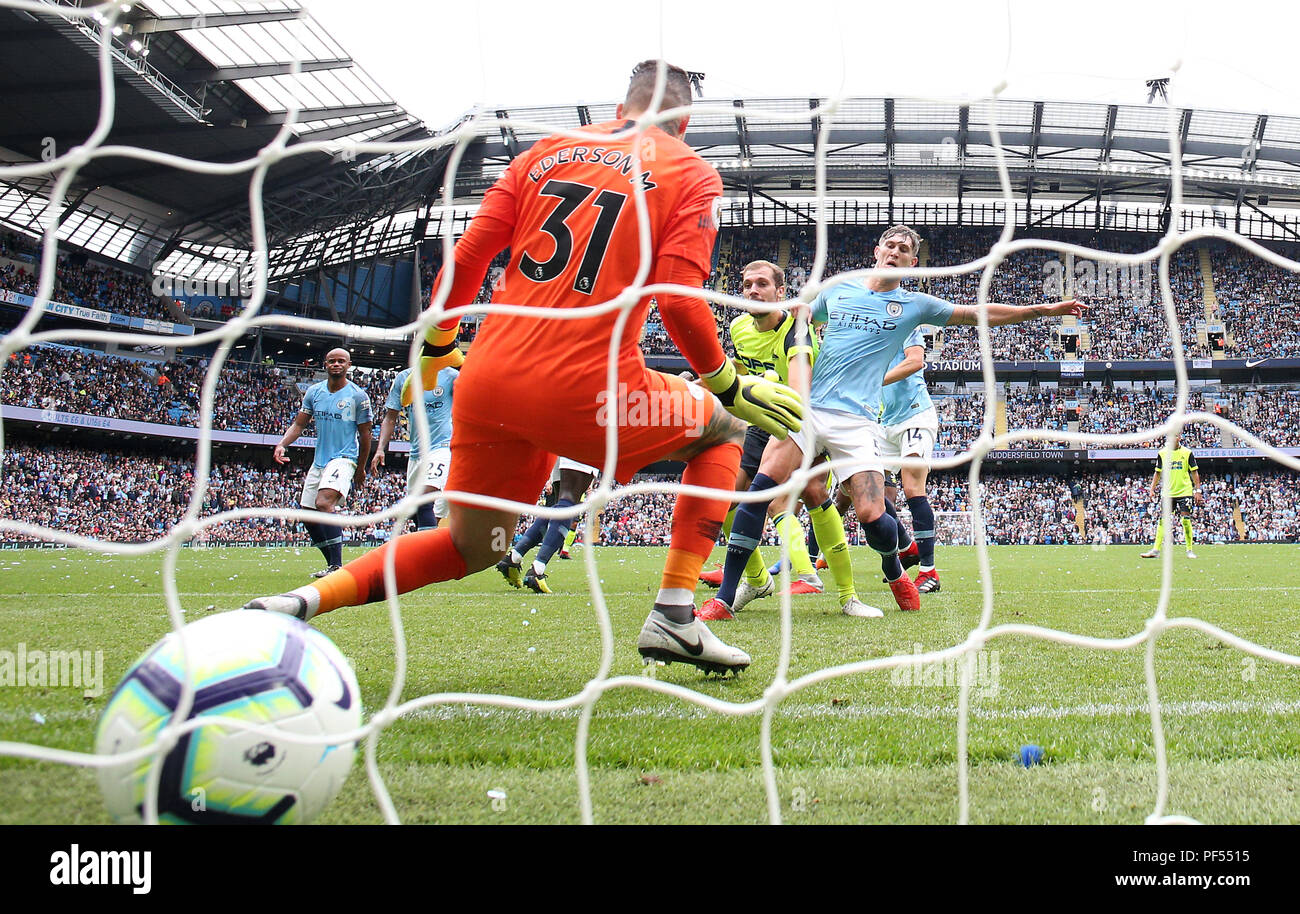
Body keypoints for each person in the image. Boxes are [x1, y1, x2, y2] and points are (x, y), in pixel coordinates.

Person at [245, 60, 803, 676]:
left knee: (471, 545)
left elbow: (467, 258)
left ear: (623, 103)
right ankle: (674, 613)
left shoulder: (547, 151)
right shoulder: (689, 172)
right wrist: (727, 381)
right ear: (686, 118)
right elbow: (677, 299)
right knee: (723, 426)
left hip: (488, 384)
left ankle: (299, 601)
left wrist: (437, 345)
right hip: (591, 393)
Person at [700, 225, 1084, 619]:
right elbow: (792, 319)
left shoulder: (915, 306)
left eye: (904, 249)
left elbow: (976, 314)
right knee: (760, 489)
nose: (896, 251)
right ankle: (724, 599)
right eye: (891, 244)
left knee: (870, 514)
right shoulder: (838, 290)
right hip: (811, 411)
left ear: (912, 263)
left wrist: (1044, 310)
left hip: (860, 422)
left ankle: (894, 568)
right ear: (877, 251)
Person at [697, 259, 879, 619]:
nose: (753, 290)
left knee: (812, 492)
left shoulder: (798, 329)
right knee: (729, 497)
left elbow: (798, 390)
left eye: (762, 284)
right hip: (761, 418)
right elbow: (742, 372)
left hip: (802, 416)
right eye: (747, 284)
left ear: (780, 293)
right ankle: (757, 578)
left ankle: (847, 595)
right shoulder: (737, 328)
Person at [272, 347, 372, 577]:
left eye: (341, 361)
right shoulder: (314, 392)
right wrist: (282, 444)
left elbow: (366, 434)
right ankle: (332, 565)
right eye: (332, 361)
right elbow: (299, 425)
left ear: (349, 365)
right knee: (307, 513)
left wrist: (361, 467)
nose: (336, 364)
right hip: (320, 461)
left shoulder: (358, 396)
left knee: (324, 503)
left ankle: (337, 566)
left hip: (344, 458)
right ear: (325, 365)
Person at [878, 325, 941, 592]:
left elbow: (915, 361)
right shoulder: (865, 333)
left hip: (915, 415)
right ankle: (907, 547)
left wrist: (876, 381)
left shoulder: (903, 323)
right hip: (886, 422)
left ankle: (929, 572)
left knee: (912, 486)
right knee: (865, 488)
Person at [370, 363, 458, 533]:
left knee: (424, 499)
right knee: (418, 511)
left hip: (442, 447)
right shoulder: (404, 377)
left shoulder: (452, 377)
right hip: (416, 453)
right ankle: (427, 547)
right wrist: (380, 448)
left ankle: (427, 553)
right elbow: (390, 418)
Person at [498, 456, 598, 593]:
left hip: (560, 449)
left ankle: (514, 557)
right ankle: (537, 570)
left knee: (561, 504)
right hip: (582, 443)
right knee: (568, 504)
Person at [1140, 432, 1202, 559]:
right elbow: (1157, 473)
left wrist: (1198, 490)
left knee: (1185, 520)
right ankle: (1156, 550)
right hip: (1168, 493)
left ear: (1179, 438)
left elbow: (1194, 472)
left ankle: (1189, 550)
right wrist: (1152, 489)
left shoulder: (1187, 453)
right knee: (1163, 521)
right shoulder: (1162, 453)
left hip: (1184, 491)